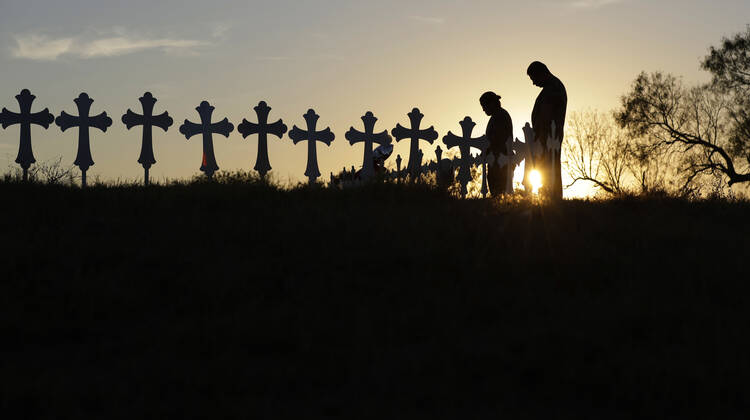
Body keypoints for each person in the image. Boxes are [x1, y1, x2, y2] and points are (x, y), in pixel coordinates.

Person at [527, 61, 567, 200]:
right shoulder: (551, 87)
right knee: (548, 168)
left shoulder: (553, 88)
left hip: (548, 137)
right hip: (545, 137)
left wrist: (540, 136)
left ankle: (552, 198)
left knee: (549, 168)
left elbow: (546, 116)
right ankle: (549, 197)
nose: (533, 83)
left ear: (541, 73)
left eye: (533, 78)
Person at [480, 91, 514, 196]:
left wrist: (488, 150)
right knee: (497, 192)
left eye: (484, 105)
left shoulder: (500, 116)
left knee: (499, 192)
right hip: (496, 159)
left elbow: (497, 139)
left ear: (491, 104)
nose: (483, 109)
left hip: (500, 160)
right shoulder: (497, 116)